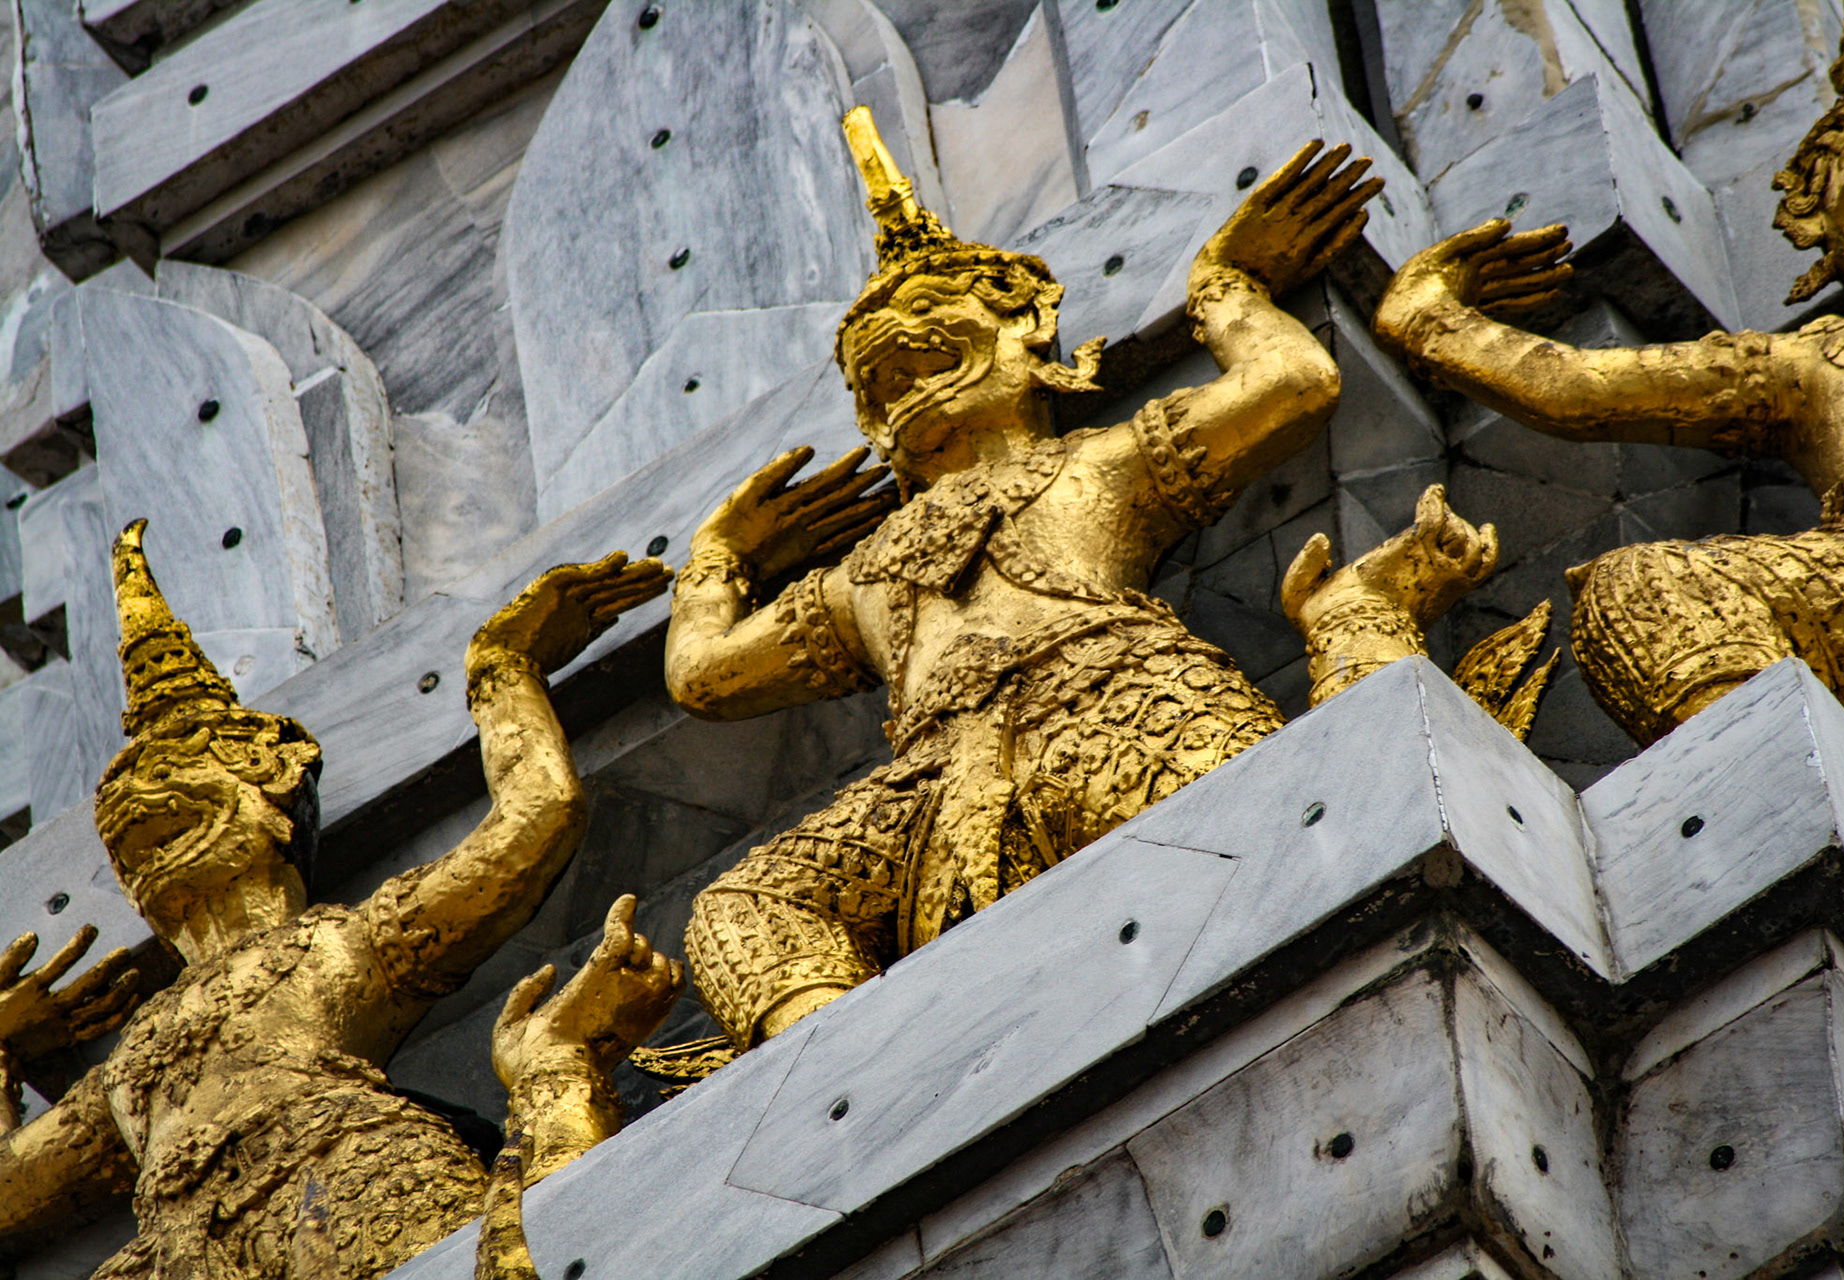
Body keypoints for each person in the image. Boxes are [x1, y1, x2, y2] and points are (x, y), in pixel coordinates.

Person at [664, 109, 1517, 1051]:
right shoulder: (858, 573)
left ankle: (1358, 646)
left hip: (1119, 702)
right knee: (743, 904)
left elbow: (1294, 384)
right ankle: (855, 1084)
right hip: (929, 779)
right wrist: (716, 557)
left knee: (1302, 852)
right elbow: (705, 675)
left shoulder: (1101, 463)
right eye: (879, 376)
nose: (896, 372)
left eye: (929, 340)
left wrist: (1224, 288)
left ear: (1024, 329)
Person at [0, 521, 680, 1279]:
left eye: (189, 775)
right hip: (181, 1253)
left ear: (274, 791)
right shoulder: (132, 1060)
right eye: (124, 817)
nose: (142, 808)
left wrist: (503, 672)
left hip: (343, 1177)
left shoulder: (342, 945)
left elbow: (536, 819)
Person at [1372, 0, 1844, 776]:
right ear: (1843, 214)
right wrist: (1427, 321)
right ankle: (1808, 798)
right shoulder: (1818, 359)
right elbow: (1578, 389)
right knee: (1647, 586)